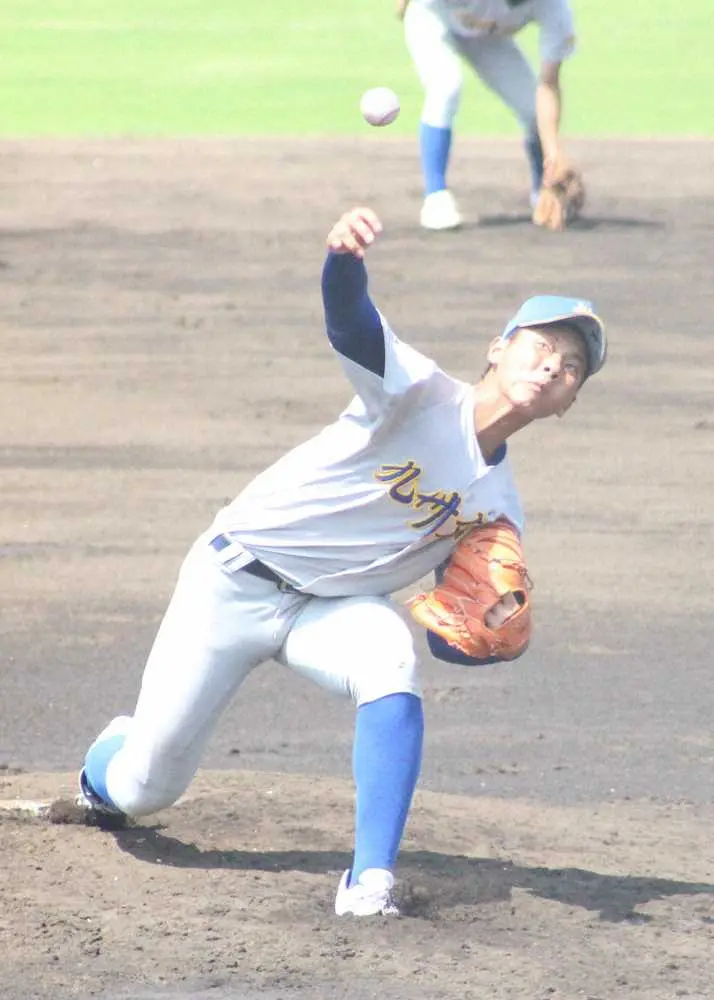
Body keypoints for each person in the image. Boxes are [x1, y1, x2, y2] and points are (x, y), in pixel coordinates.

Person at [75, 205, 607, 917]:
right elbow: (351, 322)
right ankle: (107, 757)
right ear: (497, 347)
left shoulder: (502, 511)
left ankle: (369, 881)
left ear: (570, 402)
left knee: (390, 658)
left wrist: (491, 638)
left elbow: (452, 644)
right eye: (542, 347)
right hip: (232, 583)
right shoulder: (416, 392)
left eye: (572, 367)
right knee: (146, 789)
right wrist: (343, 260)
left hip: (328, 614)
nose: (553, 367)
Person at [398, 0, 579, 230]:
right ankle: (435, 197)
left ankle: (541, 192)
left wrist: (553, 155)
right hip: (434, 18)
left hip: (489, 39)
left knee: (534, 111)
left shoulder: (554, 8)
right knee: (446, 85)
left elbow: (548, 82)